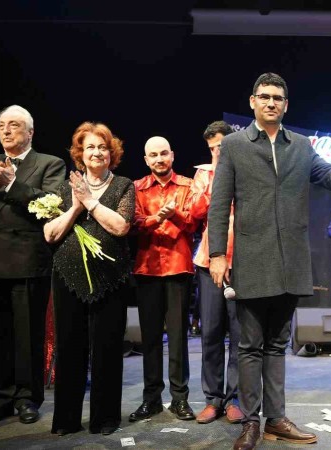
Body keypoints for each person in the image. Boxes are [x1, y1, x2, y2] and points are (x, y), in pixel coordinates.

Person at [208, 72, 331, 450]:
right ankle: (250, 422)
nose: (271, 102)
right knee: (249, 346)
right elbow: (219, 204)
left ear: (286, 105)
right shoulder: (235, 146)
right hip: (253, 259)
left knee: (277, 345)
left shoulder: (302, 146)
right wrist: (218, 254)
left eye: (277, 98)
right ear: (253, 102)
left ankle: (276, 419)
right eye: (264, 96)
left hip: (290, 260)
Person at [43, 122, 133, 435]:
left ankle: (105, 419)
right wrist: (75, 206)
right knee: (69, 347)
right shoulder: (63, 188)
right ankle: (66, 420)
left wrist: (91, 202)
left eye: (102, 147)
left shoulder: (123, 185)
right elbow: (50, 234)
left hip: (109, 277)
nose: (96, 152)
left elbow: (121, 227)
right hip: (68, 277)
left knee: (107, 348)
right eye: (90, 147)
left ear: (112, 153)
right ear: (80, 153)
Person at [0, 105, 65, 426]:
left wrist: (12, 184)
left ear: (30, 132)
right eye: (2, 125)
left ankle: (27, 398)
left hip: (28, 259)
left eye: (14, 125)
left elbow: (52, 205)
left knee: (27, 335)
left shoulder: (49, 164)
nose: (6, 130)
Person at [130, 136, 197, 422]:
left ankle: (180, 399)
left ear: (172, 155)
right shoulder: (136, 187)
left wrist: (175, 215)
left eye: (164, 153)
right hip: (146, 268)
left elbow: (194, 222)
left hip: (179, 267)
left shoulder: (188, 185)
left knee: (179, 337)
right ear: (146, 160)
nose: (159, 159)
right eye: (153, 155)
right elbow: (131, 224)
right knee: (150, 338)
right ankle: (152, 399)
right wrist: (157, 218)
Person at [189, 120, 243, 424]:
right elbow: (196, 211)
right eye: (212, 148)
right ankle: (213, 399)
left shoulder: (246, 170)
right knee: (210, 332)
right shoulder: (203, 174)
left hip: (243, 262)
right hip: (210, 261)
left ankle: (235, 398)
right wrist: (216, 176)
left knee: (239, 335)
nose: (217, 152)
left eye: (221, 146)